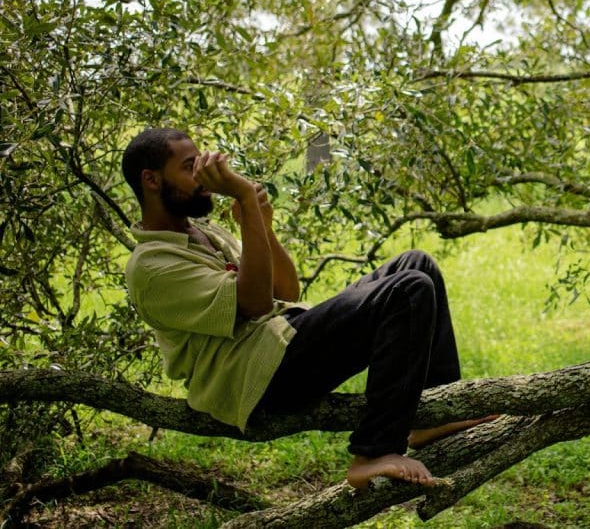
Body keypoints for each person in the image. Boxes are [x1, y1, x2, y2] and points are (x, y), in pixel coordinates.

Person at [122, 128, 487, 489]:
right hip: (256, 377)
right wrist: (247, 200)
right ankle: (374, 452)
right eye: (190, 167)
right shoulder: (152, 267)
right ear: (152, 180)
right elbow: (254, 303)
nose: (204, 177)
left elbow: (285, 289)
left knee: (416, 265)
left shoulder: (203, 231)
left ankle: (431, 417)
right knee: (408, 292)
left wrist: (261, 226)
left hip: (281, 340)